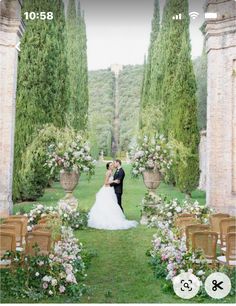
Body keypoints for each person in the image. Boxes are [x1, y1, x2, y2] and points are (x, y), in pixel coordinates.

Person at [87, 162, 138, 230]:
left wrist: (114, 181)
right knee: (108, 203)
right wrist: (114, 181)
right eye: (111, 165)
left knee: (112, 203)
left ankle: (113, 217)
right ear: (108, 167)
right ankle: (107, 218)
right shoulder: (108, 172)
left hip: (110, 189)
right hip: (107, 190)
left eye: (112, 164)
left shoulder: (112, 172)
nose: (112, 165)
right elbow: (105, 183)